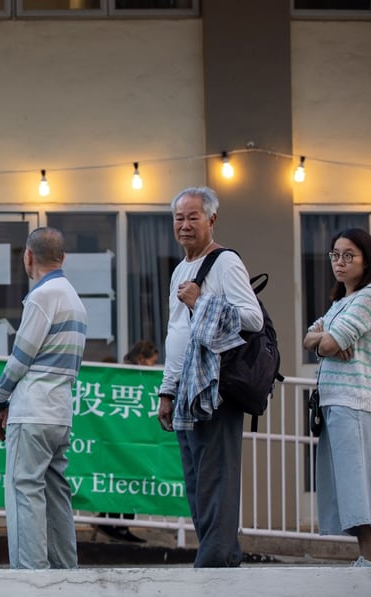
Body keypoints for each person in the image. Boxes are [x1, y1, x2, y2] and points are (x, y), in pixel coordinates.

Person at [156, 186, 263, 568]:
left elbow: (253, 317)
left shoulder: (225, 263)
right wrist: (167, 390)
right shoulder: (180, 269)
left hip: (215, 386)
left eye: (193, 217)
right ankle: (222, 557)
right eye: (179, 218)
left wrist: (200, 301)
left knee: (216, 478)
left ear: (211, 220)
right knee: (198, 480)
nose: (184, 225)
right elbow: (174, 332)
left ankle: (213, 562)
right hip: (186, 386)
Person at [0, 227, 88, 570]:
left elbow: (20, 357)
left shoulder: (42, 296)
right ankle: (65, 575)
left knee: (24, 493)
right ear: (63, 258)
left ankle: (30, 579)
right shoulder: (74, 299)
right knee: (56, 495)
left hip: (32, 410)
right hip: (60, 413)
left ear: (28, 256)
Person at [302, 228, 371, 567]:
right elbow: (310, 338)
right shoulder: (341, 301)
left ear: (366, 261)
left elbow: (324, 344)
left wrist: (325, 340)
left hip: (357, 403)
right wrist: (325, 338)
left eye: (348, 255)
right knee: (348, 489)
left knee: (360, 490)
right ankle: (367, 562)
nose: (340, 262)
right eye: (335, 255)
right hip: (337, 403)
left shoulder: (370, 297)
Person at [94, 340, 158, 543]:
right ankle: (111, 523)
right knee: (123, 479)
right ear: (141, 360)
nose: (154, 368)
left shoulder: (133, 377)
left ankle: (117, 524)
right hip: (123, 437)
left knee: (129, 480)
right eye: (151, 362)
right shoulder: (128, 378)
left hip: (129, 438)